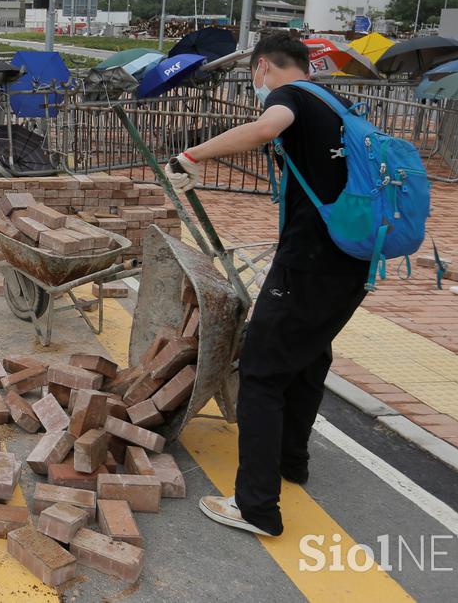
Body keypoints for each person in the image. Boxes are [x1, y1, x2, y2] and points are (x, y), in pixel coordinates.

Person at [168, 32, 369, 537]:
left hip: (309, 262)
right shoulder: (340, 103)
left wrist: (191, 157)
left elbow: (265, 128)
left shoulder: (290, 97)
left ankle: (257, 507)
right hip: (355, 261)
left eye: (257, 77)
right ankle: (290, 462)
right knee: (309, 356)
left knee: (260, 373)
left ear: (263, 68)